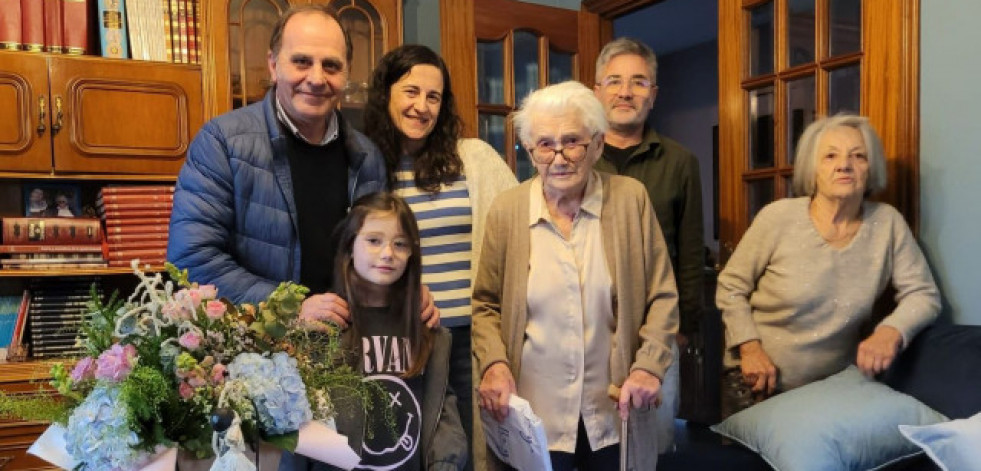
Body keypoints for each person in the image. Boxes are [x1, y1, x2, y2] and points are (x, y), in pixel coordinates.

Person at [167, 6, 436, 328]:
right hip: (257, 357)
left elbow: (376, 255)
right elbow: (192, 262)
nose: (317, 78)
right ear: (273, 65)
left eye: (331, 66)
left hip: (344, 354)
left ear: (347, 73)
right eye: (302, 62)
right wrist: (289, 308)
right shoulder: (222, 143)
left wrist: (407, 291)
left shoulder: (367, 157)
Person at [472, 81, 678, 471]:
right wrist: (494, 364)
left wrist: (649, 364)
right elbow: (486, 304)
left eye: (572, 141)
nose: (559, 156)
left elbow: (662, 297)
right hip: (534, 417)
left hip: (615, 412)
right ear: (531, 152)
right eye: (545, 144)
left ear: (597, 145)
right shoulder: (507, 211)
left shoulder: (631, 199)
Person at [716, 114, 940, 413]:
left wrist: (891, 331)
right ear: (814, 168)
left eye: (858, 156)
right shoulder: (778, 218)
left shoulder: (887, 223)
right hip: (759, 380)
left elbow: (924, 295)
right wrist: (749, 347)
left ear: (870, 168)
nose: (844, 164)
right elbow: (731, 286)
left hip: (835, 387)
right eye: (830, 155)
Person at [362, 44, 518, 471]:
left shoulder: (474, 158)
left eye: (433, 97)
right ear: (386, 94)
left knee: (476, 452)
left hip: (471, 336)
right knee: (413, 451)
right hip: (404, 339)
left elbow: (518, 229)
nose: (421, 106)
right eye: (410, 91)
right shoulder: (365, 164)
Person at [280, 192, 468, 470]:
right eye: (373, 241)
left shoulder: (429, 333)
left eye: (400, 243)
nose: (388, 253)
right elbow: (296, 429)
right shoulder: (322, 328)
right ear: (349, 246)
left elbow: (442, 409)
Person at [593, 37, 704, 449]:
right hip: (592, 325)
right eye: (615, 81)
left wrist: (683, 329)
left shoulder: (679, 162)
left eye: (639, 82)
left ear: (653, 95)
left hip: (657, 329)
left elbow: (690, 251)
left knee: (652, 442)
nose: (626, 92)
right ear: (597, 91)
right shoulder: (578, 160)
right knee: (598, 437)